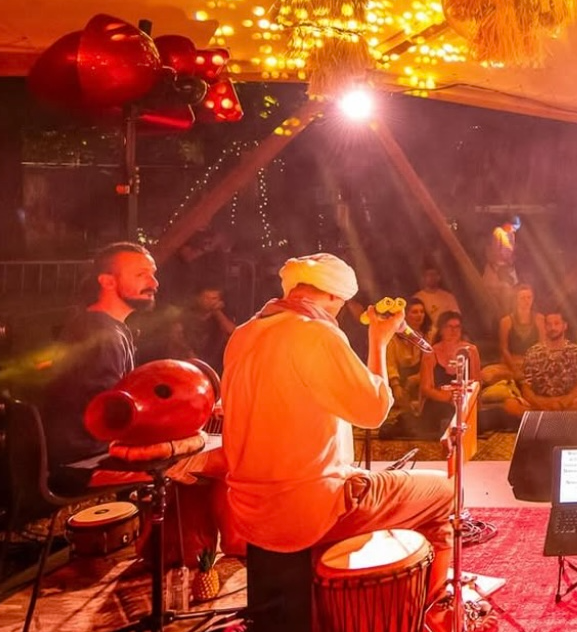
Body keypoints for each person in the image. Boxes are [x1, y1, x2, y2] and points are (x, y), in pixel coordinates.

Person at [220, 253, 454, 592]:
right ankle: (434, 609)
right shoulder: (316, 333)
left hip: (248, 513)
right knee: (444, 492)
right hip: (307, 511)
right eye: (340, 303)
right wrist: (379, 340)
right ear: (333, 294)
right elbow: (373, 412)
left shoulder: (242, 335)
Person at [39, 241, 219, 565]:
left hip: (89, 451)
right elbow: (109, 420)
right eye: (140, 274)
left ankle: (164, 555)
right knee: (201, 464)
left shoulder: (103, 327)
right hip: (85, 460)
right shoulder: (101, 336)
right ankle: (177, 563)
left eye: (153, 273)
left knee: (197, 448)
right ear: (107, 281)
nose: (154, 282)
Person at [417, 310, 483, 441]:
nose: (453, 331)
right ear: (441, 329)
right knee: (443, 412)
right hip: (439, 401)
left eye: (457, 327)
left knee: (485, 418)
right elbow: (426, 388)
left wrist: (463, 399)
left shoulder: (471, 350)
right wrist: (448, 398)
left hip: (463, 401)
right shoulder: (430, 352)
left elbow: (476, 382)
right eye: (449, 327)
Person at [520, 311, 577, 411]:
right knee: (511, 405)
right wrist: (538, 403)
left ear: (565, 326)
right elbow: (526, 386)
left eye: (556, 323)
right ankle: (551, 414)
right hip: (541, 400)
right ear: (545, 327)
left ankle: (554, 415)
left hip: (567, 400)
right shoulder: (533, 352)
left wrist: (564, 402)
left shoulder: (576, 351)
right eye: (549, 324)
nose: (553, 328)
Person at [381, 297, 429, 434]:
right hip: (399, 378)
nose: (419, 315)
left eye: (421, 312)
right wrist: (396, 385)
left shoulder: (428, 335)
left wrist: (418, 377)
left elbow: (430, 363)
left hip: (421, 378)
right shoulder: (393, 337)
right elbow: (390, 364)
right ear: (406, 315)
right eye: (415, 312)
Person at [179, 285, 236, 374]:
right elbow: (178, 338)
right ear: (199, 298)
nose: (210, 302)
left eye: (214, 298)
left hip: (216, 367)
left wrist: (217, 312)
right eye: (207, 298)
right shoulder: (187, 316)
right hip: (191, 365)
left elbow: (232, 333)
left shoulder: (222, 318)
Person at [411, 263, 460, 329]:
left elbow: (456, 317)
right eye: (429, 275)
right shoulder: (417, 298)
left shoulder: (448, 296)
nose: (432, 277)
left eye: (434, 275)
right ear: (423, 278)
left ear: (439, 277)